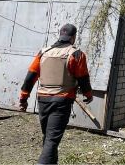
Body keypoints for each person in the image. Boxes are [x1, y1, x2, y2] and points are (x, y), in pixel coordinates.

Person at [19, 23, 93, 165]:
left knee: (49, 137)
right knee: (52, 139)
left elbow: (30, 77)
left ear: (60, 35)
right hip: (61, 101)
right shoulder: (76, 54)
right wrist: (88, 94)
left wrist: (23, 98)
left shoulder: (43, 52)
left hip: (43, 100)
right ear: (73, 37)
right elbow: (83, 77)